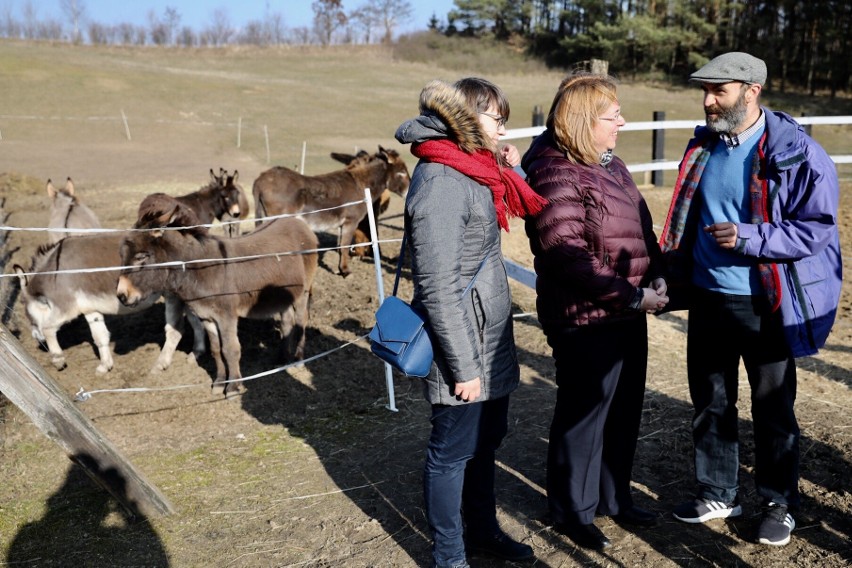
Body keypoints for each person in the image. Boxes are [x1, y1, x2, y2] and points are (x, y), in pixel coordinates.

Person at [660, 52, 842, 547]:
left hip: (766, 303)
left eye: (718, 91)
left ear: (751, 90)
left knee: (773, 408)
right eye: (705, 91)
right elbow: (684, 222)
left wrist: (748, 238)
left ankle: (779, 501)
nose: (708, 101)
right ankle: (719, 490)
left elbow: (816, 229)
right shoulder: (704, 148)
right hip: (708, 299)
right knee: (711, 402)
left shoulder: (797, 152)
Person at [394, 77, 547, 568]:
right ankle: (450, 554)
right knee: (452, 451)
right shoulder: (441, 180)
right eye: (496, 118)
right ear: (466, 119)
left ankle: (481, 531)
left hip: (489, 337)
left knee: (485, 442)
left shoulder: (475, 168)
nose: (503, 127)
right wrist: (463, 366)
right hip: (462, 346)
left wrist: (507, 164)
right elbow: (437, 286)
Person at [521, 73, 669, 550]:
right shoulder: (554, 170)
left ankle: (614, 498)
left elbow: (642, 231)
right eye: (613, 115)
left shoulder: (612, 166)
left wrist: (658, 275)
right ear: (586, 121)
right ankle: (571, 511)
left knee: (623, 411)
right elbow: (564, 250)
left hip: (626, 312)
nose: (622, 122)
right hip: (584, 319)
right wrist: (629, 295)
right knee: (583, 417)